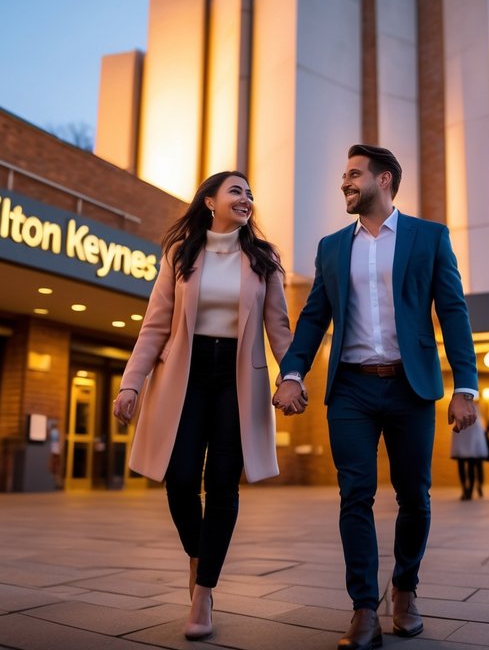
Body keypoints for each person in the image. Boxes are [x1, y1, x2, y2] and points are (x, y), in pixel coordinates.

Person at [271, 144, 478, 650]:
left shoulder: (429, 237)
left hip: (411, 386)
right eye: (343, 174)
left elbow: (453, 312)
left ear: (384, 180)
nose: (345, 182)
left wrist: (465, 387)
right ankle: (364, 608)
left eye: (354, 174)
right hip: (352, 388)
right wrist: (292, 372)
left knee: (415, 496)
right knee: (354, 495)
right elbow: (315, 317)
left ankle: (404, 589)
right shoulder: (332, 246)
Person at [113, 171, 294, 642]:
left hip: (239, 381)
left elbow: (279, 328)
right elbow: (155, 326)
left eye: (251, 193)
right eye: (236, 190)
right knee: (178, 478)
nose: (246, 198)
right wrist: (131, 384)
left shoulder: (263, 259)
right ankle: (199, 556)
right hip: (185, 376)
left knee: (222, 486)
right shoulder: (181, 253)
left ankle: (203, 592)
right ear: (210, 201)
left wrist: (291, 376)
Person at [451, 411, 489, 500]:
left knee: (463, 468)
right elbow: (480, 430)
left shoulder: (460, 409)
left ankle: (466, 490)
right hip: (471, 444)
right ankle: (469, 491)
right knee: (471, 468)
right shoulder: (476, 413)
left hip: (461, 442)